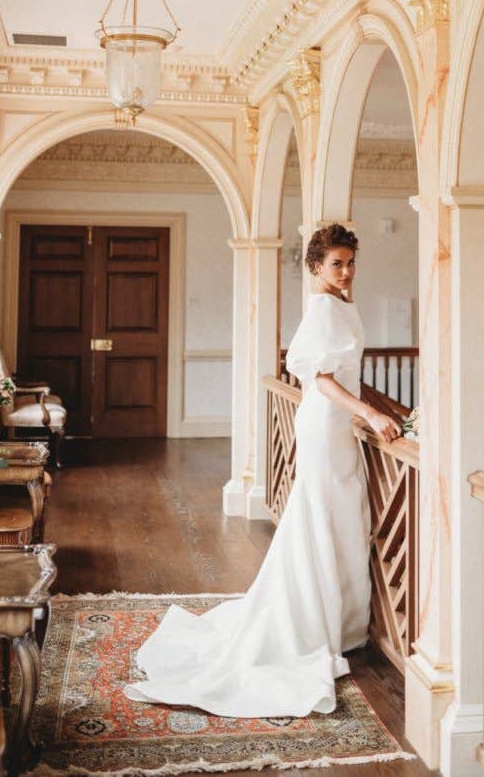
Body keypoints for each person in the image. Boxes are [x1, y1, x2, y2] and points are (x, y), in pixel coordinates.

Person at [124, 223, 402, 717]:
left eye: (350, 262)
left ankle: (338, 623)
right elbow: (321, 381)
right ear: (315, 266)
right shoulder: (320, 310)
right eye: (336, 263)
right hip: (325, 424)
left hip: (339, 427)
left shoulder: (340, 305)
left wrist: (375, 409)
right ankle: (312, 624)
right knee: (320, 517)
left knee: (341, 517)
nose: (345, 271)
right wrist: (372, 414)